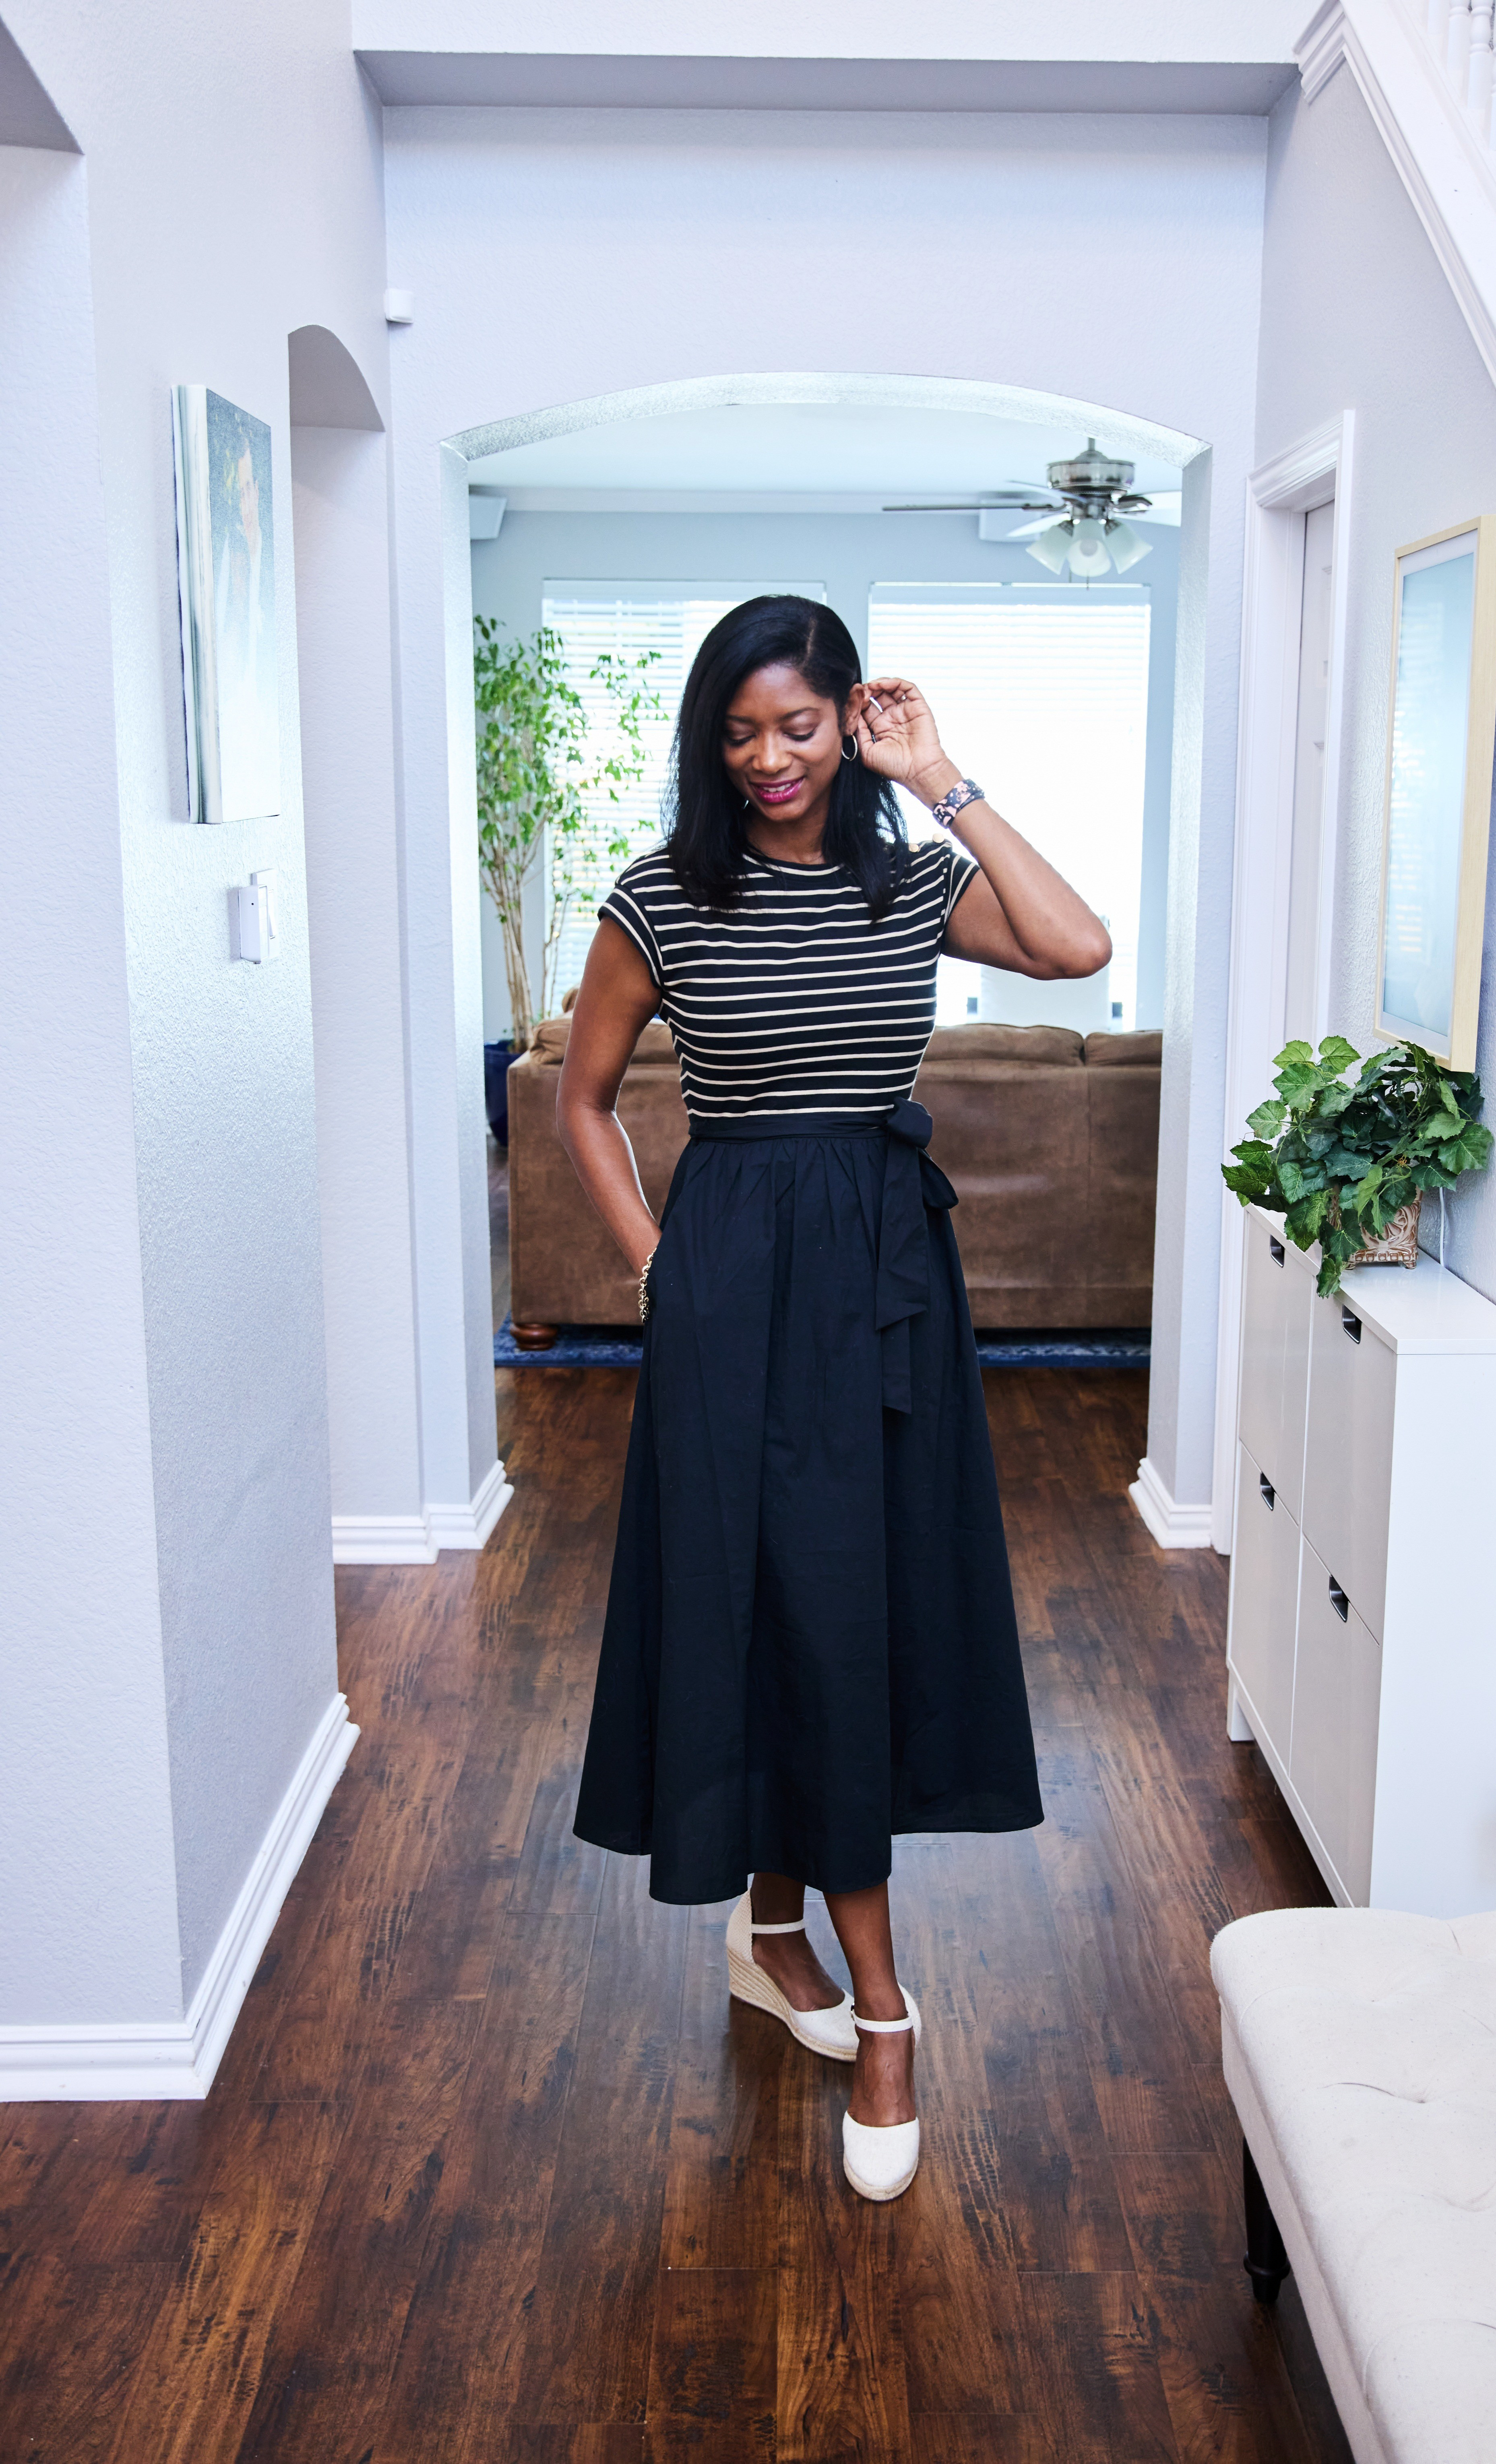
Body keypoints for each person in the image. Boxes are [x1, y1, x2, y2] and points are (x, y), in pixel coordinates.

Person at [559, 596, 1110, 2202]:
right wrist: (662, 1269)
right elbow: (586, 1105)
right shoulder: (661, 897)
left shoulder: (904, 876)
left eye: (797, 725)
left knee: (848, 1603)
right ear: (705, 745)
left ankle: (775, 1931)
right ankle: (885, 2018)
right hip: (734, 1274)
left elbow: (1074, 947)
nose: (769, 758)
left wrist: (943, 776)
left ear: (847, 723)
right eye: (738, 732)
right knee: (778, 1598)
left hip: (883, 1276)